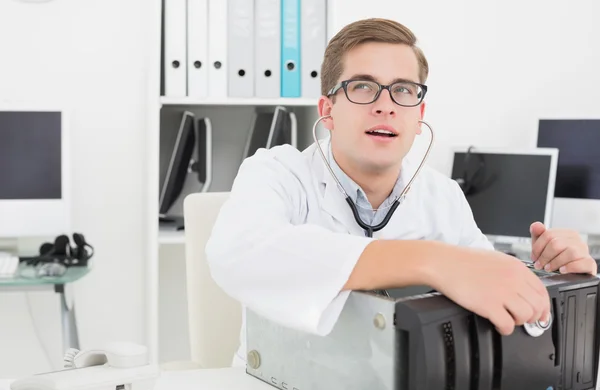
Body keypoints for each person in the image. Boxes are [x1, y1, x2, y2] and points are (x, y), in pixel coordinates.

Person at [205, 18, 597, 367]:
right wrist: (428, 260)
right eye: (363, 87)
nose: (386, 106)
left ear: (419, 115)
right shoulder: (277, 172)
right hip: (278, 384)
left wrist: (549, 278)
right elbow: (239, 253)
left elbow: (493, 299)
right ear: (327, 110)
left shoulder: (442, 196)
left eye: (404, 91)